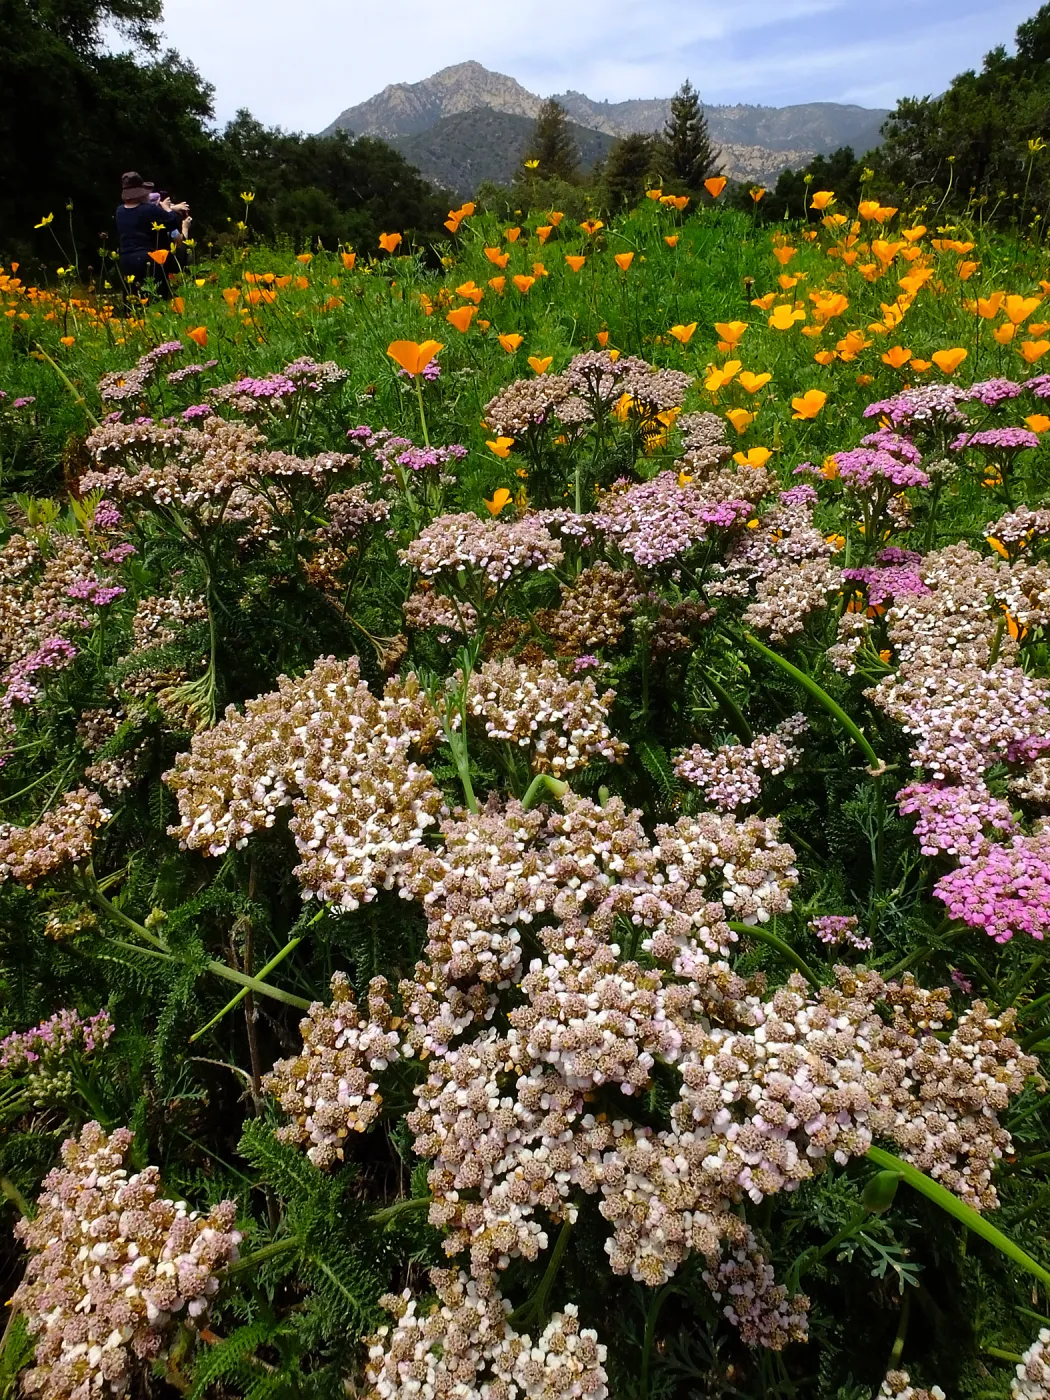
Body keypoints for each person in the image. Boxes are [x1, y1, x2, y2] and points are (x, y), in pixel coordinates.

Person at [115, 171, 189, 302]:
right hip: (147, 258)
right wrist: (167, 208)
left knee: (132, 299)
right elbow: (171, 220)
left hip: (126, 259)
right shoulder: (149, 210)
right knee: (155, 299)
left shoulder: (120, 211)